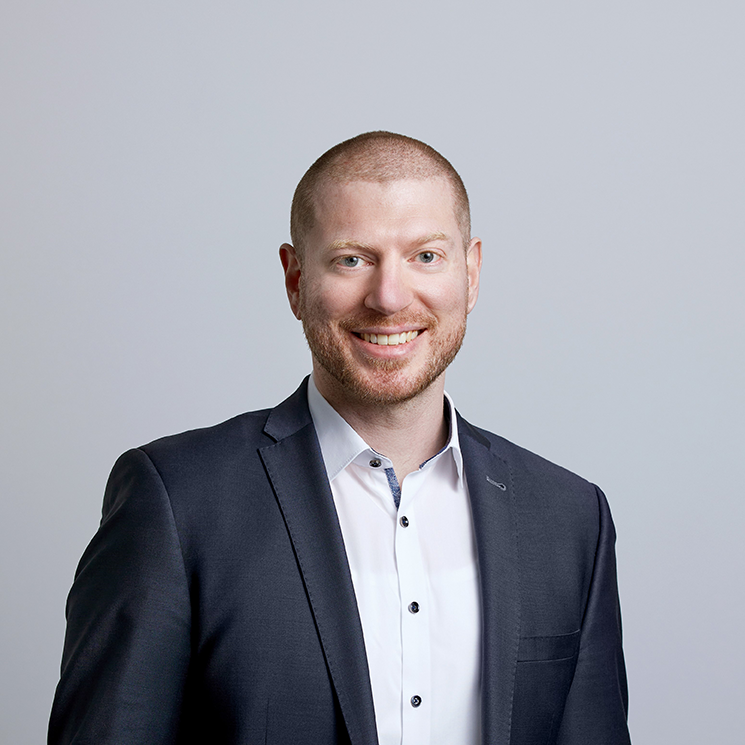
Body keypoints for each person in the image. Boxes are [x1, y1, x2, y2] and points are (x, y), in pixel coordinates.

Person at [48, 132, 631, 745]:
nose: (389, 297)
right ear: (295, 279)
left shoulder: (570, 519)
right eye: (352, 259)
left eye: (426, 256)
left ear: (471, 272)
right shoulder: (176, 501)